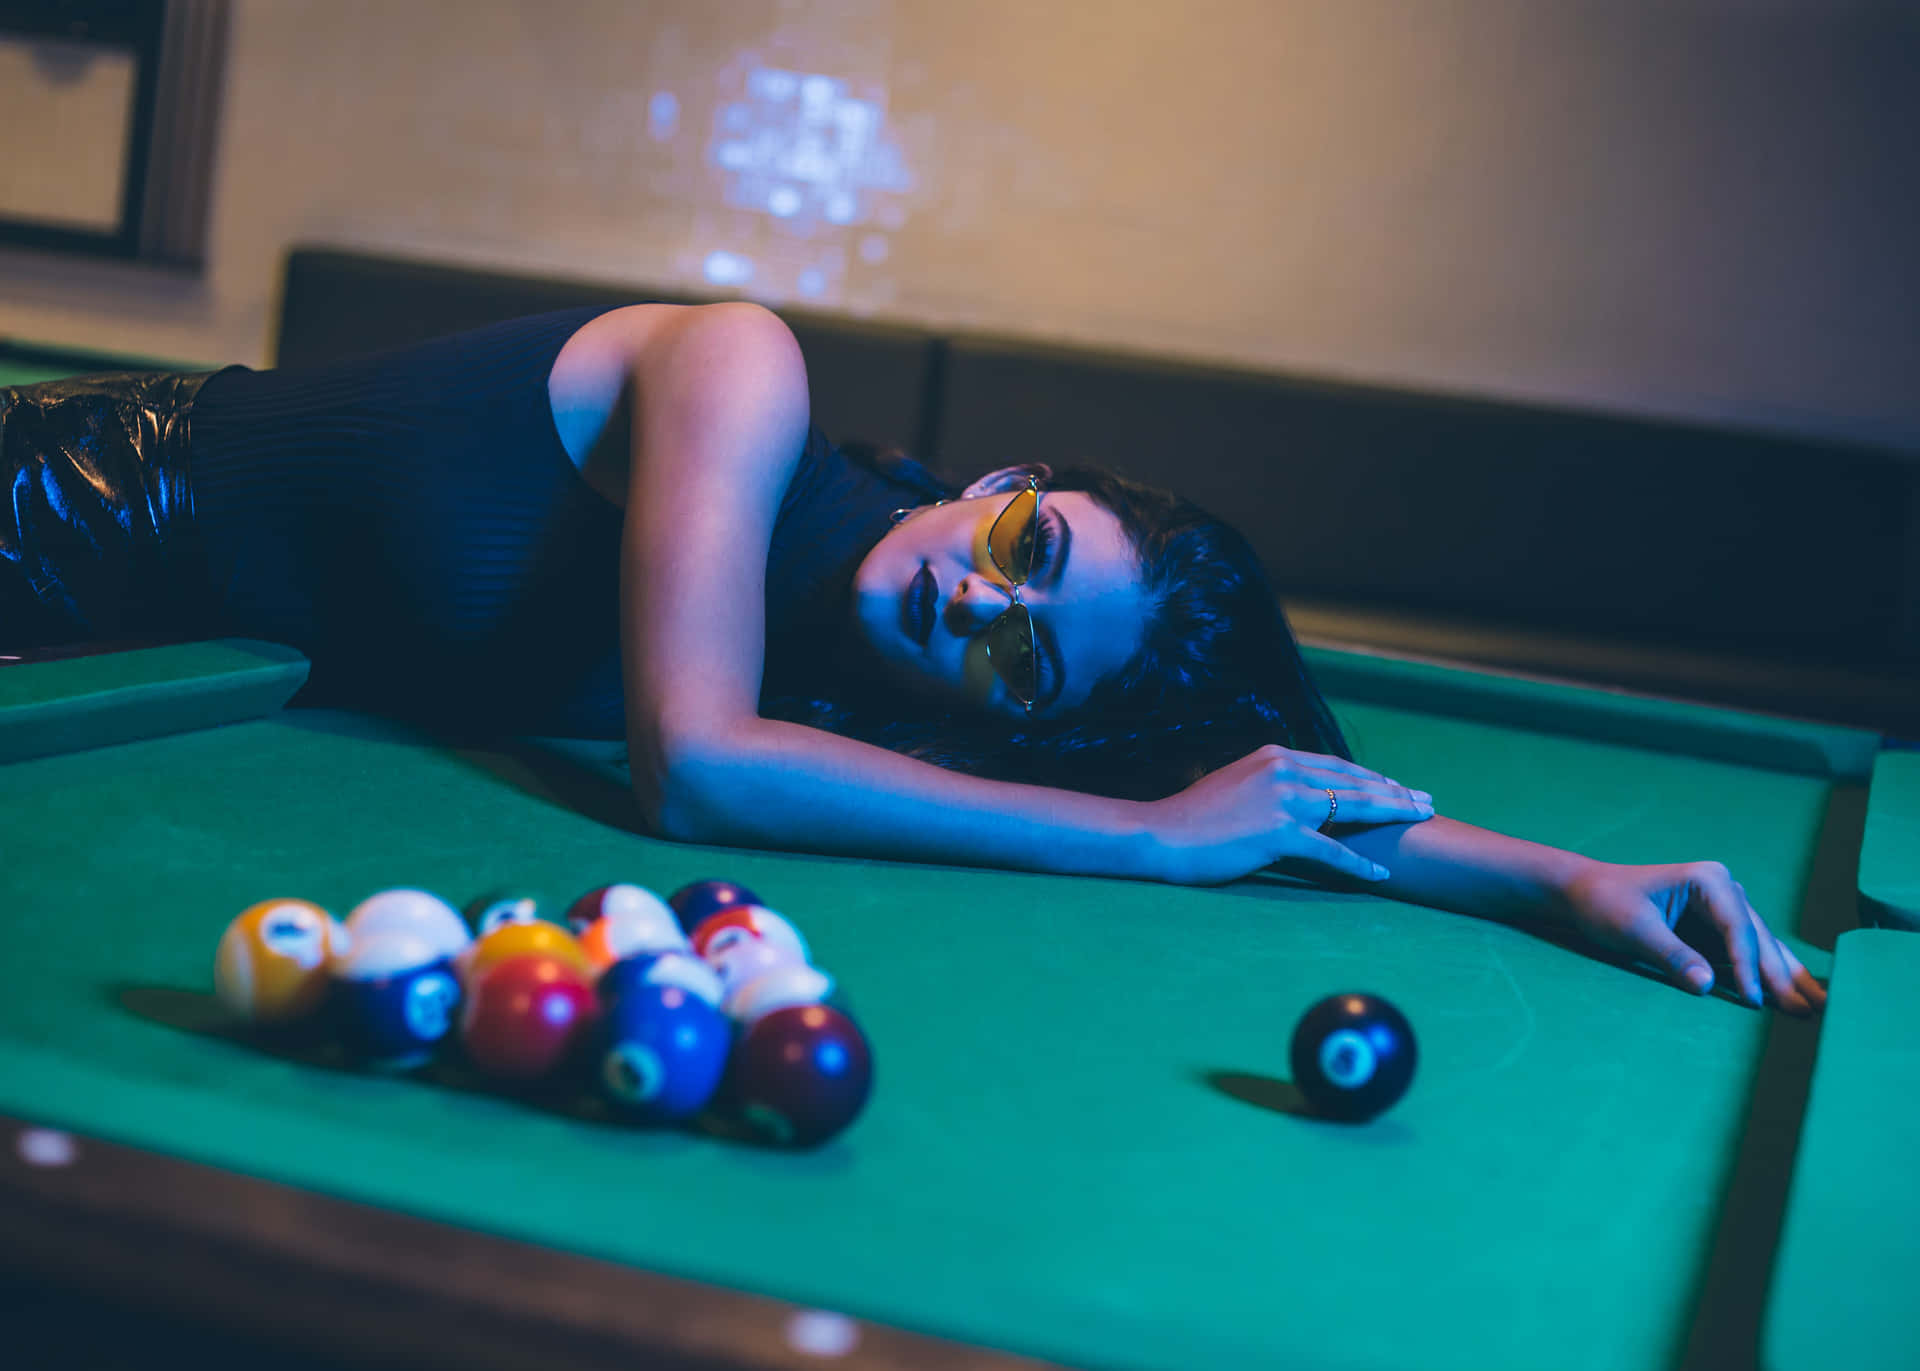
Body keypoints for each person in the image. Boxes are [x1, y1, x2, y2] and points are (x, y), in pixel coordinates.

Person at [0, 300, 1824, 1015]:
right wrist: (1143, 843)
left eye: (1027, 661)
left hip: (147, 649)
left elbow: (1231, 786)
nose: (982, 604)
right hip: (76, 510)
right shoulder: (743, 371)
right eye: (1022, 550)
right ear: (1005, 483)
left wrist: (1563, 878)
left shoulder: (882, 700)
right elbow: (692, 766)